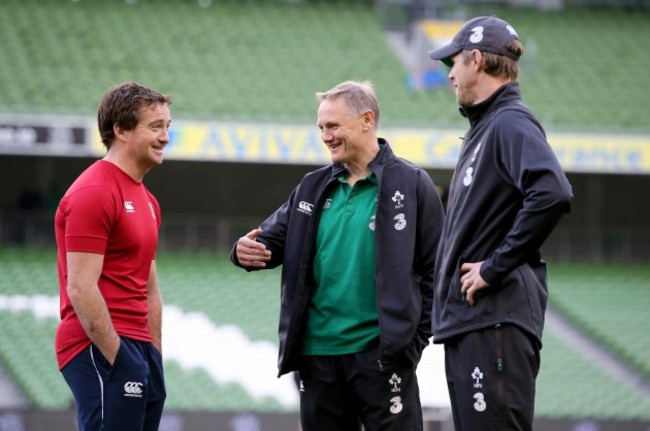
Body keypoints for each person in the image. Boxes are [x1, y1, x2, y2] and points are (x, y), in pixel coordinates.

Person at [230, 80, 445, 431]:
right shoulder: (311, 187)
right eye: (321, 128)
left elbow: (438, 272)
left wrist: (411, 343)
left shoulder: (412, 183)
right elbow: (268, 241)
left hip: (382, 358)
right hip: (318, 358)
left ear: (367, 120)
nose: (326, 136)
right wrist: (243, 250)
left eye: (333, 126)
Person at [427, 16, 573, 431]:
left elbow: (552, 193)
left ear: (476, 59)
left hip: (493, 318)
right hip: (474, 322)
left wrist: (494, 267)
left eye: (453, 63)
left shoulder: (509, 121)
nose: (450, 74)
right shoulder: (485, 128)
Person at [54, 82, 171, 431]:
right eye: (155, 127)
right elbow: (80, 287)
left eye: (167, 126)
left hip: (139, 348)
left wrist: (155, 357)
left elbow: (149, 289)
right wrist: (119, 357)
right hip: (98, 344)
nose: (165, 137)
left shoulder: (149, 201)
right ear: (120, 130)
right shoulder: (94, 192)